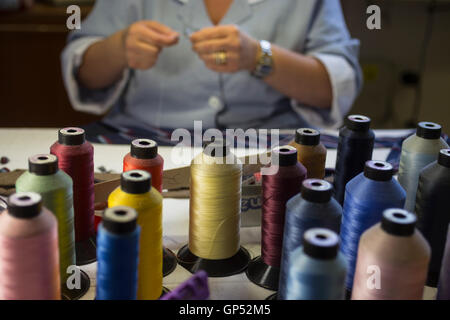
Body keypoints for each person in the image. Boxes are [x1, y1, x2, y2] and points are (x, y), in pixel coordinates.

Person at [61, 0, 361, 131]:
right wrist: (118, 48)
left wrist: (259, 57)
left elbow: (333, 88)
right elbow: (85, 75)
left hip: (267, 146)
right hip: (142, 141)